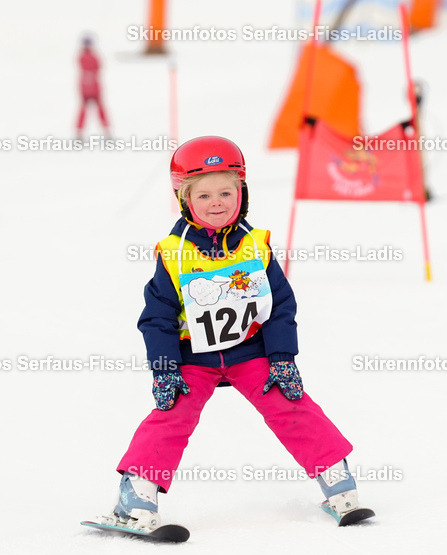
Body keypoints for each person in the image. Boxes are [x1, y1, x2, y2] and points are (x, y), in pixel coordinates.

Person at [106, 136, 372, 530]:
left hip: (250, 351)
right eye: (205, 195)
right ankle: (135, 494)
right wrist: (165, 368)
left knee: (289, 402)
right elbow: (157, 318)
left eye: (226, 192)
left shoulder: (255, 246)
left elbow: (282, 306)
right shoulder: (175, 252)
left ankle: (338, 482)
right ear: (185, 200)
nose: (217, 202)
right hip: (192, 357)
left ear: (241, 193)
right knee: (172, 414)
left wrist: (282, 357)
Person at [76, 36, 110, 139]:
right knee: (98, 109)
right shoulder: (93, 57)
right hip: (94, 87)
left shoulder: (81, 57)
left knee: (85, 109)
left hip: (85, 87)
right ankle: (106, 131)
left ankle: (79, 133)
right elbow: (98, 67)